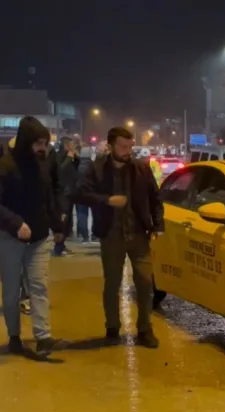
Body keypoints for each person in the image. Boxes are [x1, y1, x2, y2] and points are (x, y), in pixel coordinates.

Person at [0, 117, 66, 357]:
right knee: (12, 291)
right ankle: (14, 336)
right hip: (10, 240)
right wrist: (15, 223)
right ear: (27, 142)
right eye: (38, 143)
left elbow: (49, 198)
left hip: (39, 239)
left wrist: (57, 226)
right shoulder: (3, 167)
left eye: (45, 144)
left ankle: (43, 337)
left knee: (39, 287)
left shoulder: (43, 165)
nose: (42, 149)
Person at [75, 127, 164, 348]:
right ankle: (112, 327)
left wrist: (158, 224)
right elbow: (80, 194)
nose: (127, 151)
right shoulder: (97, 169)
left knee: (145, 283)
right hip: (111, 235)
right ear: (112, 146)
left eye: (130, 147)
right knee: (112, 284)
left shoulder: (141, 169)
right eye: (123, 147)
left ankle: (144, 329)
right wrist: (107, 200)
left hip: (138, 234)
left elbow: (155, 197)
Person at [53, 137, 80, 255]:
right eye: (71, 144)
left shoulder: (70, 156)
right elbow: (60, 170)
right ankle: (58, 247)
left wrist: (76, 157)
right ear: (66, 145)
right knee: (63, 220)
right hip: (62, 193)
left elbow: (75, 169)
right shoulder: (58, 156)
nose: (73, 147)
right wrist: (69, 157)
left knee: (68, 221)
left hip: (70, 191)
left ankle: (62, 244)